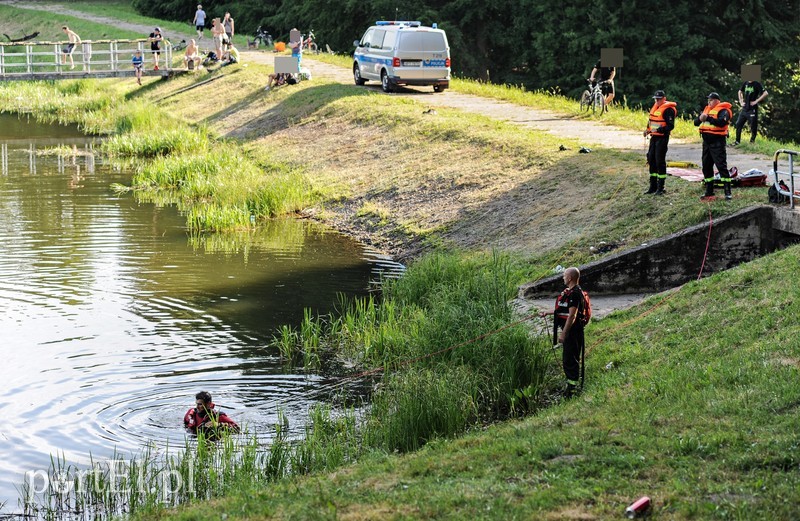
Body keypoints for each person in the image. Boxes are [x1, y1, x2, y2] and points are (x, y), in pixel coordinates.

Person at [539, 267, 587, 398]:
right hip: (570, 331)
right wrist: (546, 312)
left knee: (569, 359)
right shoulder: (569, 292)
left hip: (573, 332)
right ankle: (571, 386)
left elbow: (572, 315)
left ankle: (572, 390)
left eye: (564, 275)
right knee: (568, 358)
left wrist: (564, 333)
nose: (563, 277)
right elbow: (562, 309)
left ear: (570, 277)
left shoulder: (575, 293)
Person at [695, 92, 733, 200]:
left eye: (711, 100)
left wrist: (707, 118)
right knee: (706, 166)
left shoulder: (723, 110)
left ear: (717, 100)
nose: (709, 102)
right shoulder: (706, 110)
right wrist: (700, 119)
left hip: (717, 143)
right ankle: (709, 191)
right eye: (708, 100)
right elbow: (696, 122)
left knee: (721, 166)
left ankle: (727, 192)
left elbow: (721, 122)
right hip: (706, 143)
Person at [644, 90, 677, 195]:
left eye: (659, 99)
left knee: (659, 161)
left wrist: (660, 130)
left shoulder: (668, 110)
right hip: (654, 137)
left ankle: (660, 187)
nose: (657, 101)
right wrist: (647, 130)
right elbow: (651, 122)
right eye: (656, 99)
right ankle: (652, 187)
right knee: (651, 159)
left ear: (664, 98)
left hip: (662, 138)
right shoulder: (655, 107)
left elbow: (670, 126)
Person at [733, 79, 768, 146]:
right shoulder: (745, 83)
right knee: (738, 124)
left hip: (752, 109)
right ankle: (737, 141)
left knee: (753, 126)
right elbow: (740, 91)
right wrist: (740, 101)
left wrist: (756, 101)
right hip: (745, 108)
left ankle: (752, 141)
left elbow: (765, 93)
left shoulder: (757, 83)